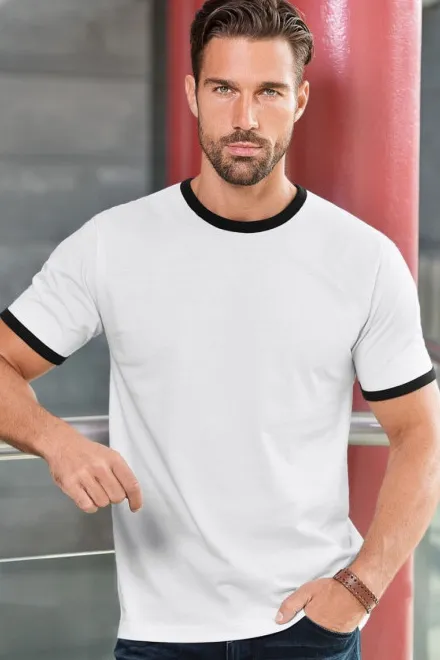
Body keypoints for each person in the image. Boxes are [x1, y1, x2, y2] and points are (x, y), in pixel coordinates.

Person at [0, 0, 439, 658]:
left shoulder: (363, 259)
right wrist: (55, 441)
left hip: (308, 631)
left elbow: (420, 435)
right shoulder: (114, 244)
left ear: (300, 100)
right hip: (161, 635)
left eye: (269, 92)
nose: (244, 119)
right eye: (224, 89)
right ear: (192, 95)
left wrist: (360, 587)